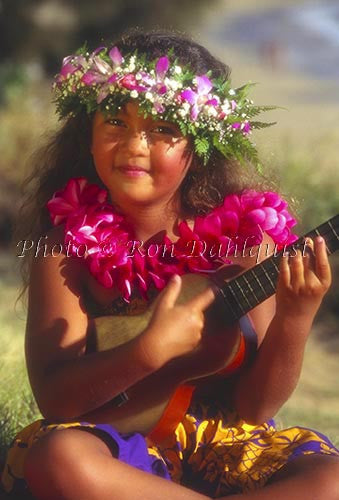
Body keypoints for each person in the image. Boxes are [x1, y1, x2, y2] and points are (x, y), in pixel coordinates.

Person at [1, 30, 339, 500]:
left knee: (331, 482)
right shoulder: (65, 247)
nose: (135, 145)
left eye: (163, 130)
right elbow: (55, 399)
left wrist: (295, 319)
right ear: (88, 134)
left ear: (199, 148)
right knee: (60, 459)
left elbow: (255, 409)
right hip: (115, 445)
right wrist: (148, 352)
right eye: (115, 122)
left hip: (224, 442)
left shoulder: (246, 240)